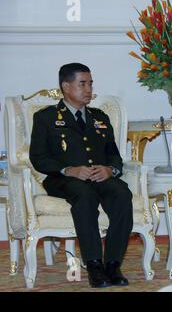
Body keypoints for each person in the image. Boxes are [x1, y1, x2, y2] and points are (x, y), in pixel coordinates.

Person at [29, 63, 133, 288]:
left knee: (122, 193)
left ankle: (113, 264)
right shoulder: (46, 118)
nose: (89, 89)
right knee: (84, 196)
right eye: (82, 84)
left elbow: (113, 155)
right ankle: (94, 265)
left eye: (91, 83)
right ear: (66, 86)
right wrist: (69, 170)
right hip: (63, 180)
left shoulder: (100, 117)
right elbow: (38, 158)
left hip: (99, 176)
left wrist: (110, 170)